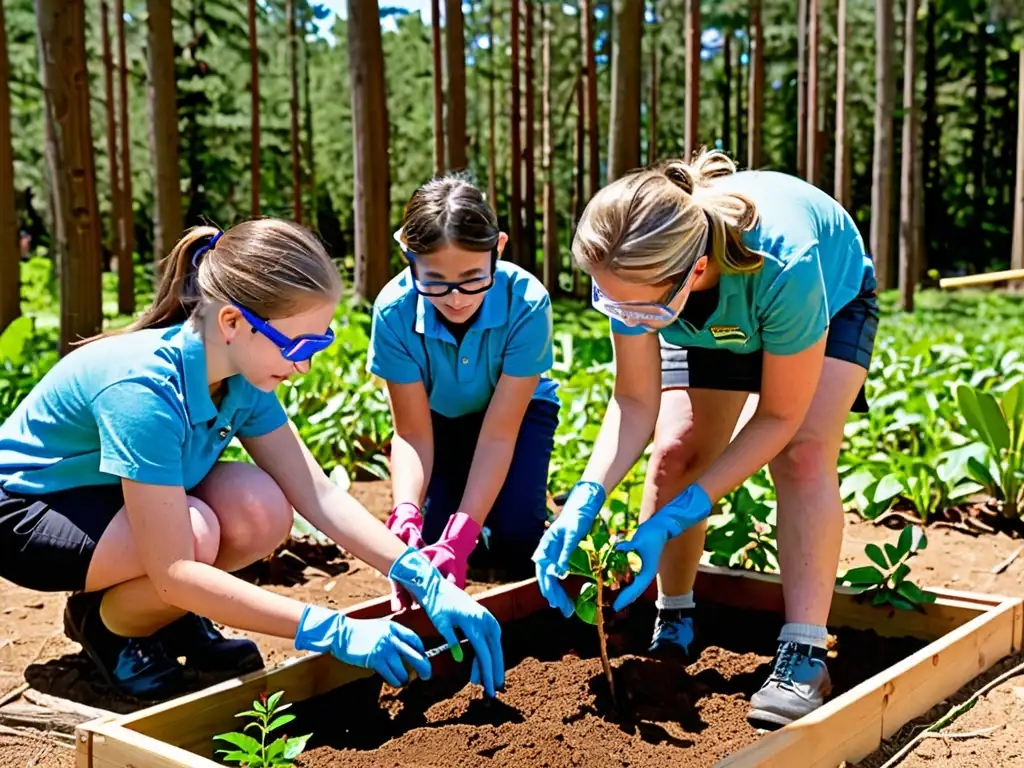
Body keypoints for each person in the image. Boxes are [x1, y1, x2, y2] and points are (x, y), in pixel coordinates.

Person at [0, 220, 504, 701]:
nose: (304, 365)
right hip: (30, 509)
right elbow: (174, 566)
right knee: (194, 536)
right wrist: (332, 629)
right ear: (233, 322)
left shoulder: (243, 372)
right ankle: (110, 625)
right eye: (298, 344)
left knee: (261, 506)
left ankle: (160, 614)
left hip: (110, 496)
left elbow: (317, 492)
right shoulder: (143, 391)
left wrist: (424, 577)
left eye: (321, 342)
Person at [532, 150, 878, 729]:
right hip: (692, 309)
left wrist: (687, 509)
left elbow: (778, 418)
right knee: (676, 453)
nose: (619, 315)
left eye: (628, 305)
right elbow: (635, 402)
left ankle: (805, 653)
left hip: (824, 299)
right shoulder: (633, 272)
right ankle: (675, 617)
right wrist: (584, 498)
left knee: (803, 455)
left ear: (692, 273)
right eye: (606, 299)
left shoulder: (788, 264)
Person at [368, 176, 558, 610]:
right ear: (409, 259)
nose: (455, 299)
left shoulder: (527, 302)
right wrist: (405, 513)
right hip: (437, 421)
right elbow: (412, 433)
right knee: (429, 539)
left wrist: (464, 533)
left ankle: (523, 514)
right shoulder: (393, 311)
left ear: (499, 249)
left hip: (516, 416)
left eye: (473, 278)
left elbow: (499, 433)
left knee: (515, 541)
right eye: (434, 280)